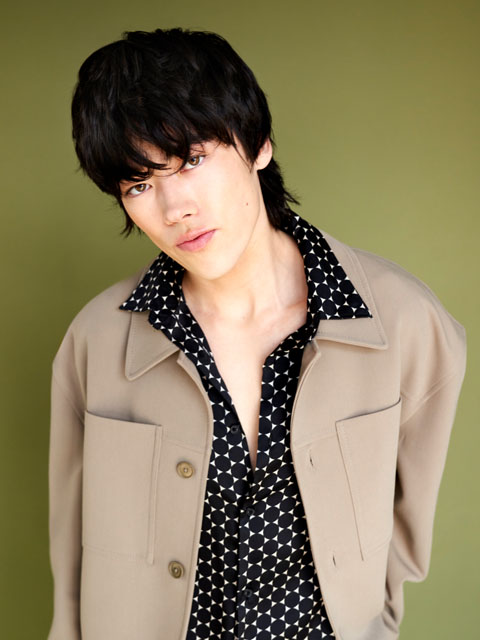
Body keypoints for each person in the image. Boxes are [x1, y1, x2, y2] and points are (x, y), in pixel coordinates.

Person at [47, 28, 467, 640]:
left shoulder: (406, 323)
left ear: (259, 144)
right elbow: (72, 562)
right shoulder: (97, 340)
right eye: (139, 184)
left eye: (192, 160)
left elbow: (405, 537)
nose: (174, 208)